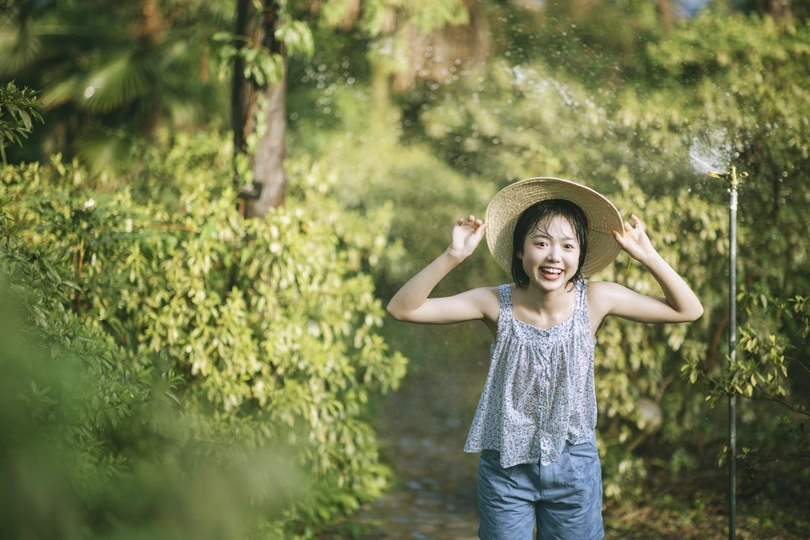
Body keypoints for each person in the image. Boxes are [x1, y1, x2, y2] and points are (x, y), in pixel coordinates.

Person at [386, 177, 703, 540]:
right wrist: (453, 255)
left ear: (580, 256)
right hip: (506, 468)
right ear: (520, 251)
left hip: (574, 467)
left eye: (569, 246)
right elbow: (403, 309)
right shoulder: (494, 302)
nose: (555, 256)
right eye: (541, 243)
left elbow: (689, 310)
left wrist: (648, 256)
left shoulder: (598, 300)